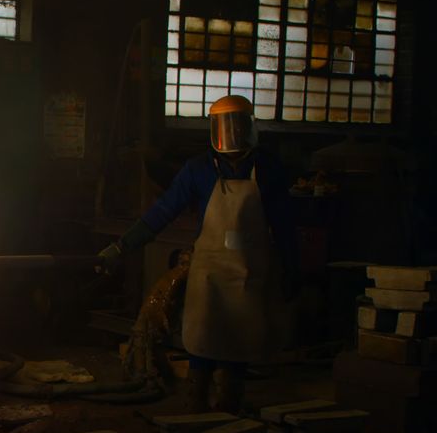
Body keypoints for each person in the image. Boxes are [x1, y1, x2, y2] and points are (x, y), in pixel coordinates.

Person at [97, 95, 298, 414]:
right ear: (214, 129)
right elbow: (162, 212)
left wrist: (290, 268)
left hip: (248, 272)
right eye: (225, 126)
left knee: (239, 345)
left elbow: (286, 225)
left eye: (238, 125)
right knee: (203, 338)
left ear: (250, 127)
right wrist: (122, 246)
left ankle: (229, 409)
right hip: (210, 273)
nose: (232, 134)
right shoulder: (199, 170)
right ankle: (196, 405)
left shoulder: (268, 169)